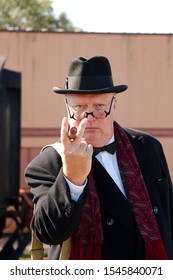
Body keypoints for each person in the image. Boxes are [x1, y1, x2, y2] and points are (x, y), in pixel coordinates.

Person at [25, 55, 173, 260]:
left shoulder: (148, 147)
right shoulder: (48, 163)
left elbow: (168, 218)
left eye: (100, 106)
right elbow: (48, 233)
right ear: (67, 107)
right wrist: (72, 178)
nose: (90, 117)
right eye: (79, 108)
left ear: (115, 104)